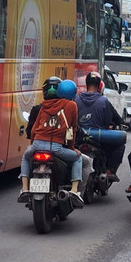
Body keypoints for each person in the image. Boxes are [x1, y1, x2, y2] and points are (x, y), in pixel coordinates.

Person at [19, 76, 84, 207]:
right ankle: (74, 190)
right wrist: (72, 148)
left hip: (37, 144)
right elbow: (73, 129)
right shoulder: (71, 106)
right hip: (57, 148)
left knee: (26, 158)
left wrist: (33, 145)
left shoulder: (44, 106)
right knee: (78, 159)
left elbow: (33, 130)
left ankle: (25, 188)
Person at [75, 71, 126, 181]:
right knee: (119, 145)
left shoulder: (77, 99)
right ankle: (110, 171)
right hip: (99, 138)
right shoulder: (103, 101)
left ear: (86, 84)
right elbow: (109, 120)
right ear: (100, 86)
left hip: (78, 138)